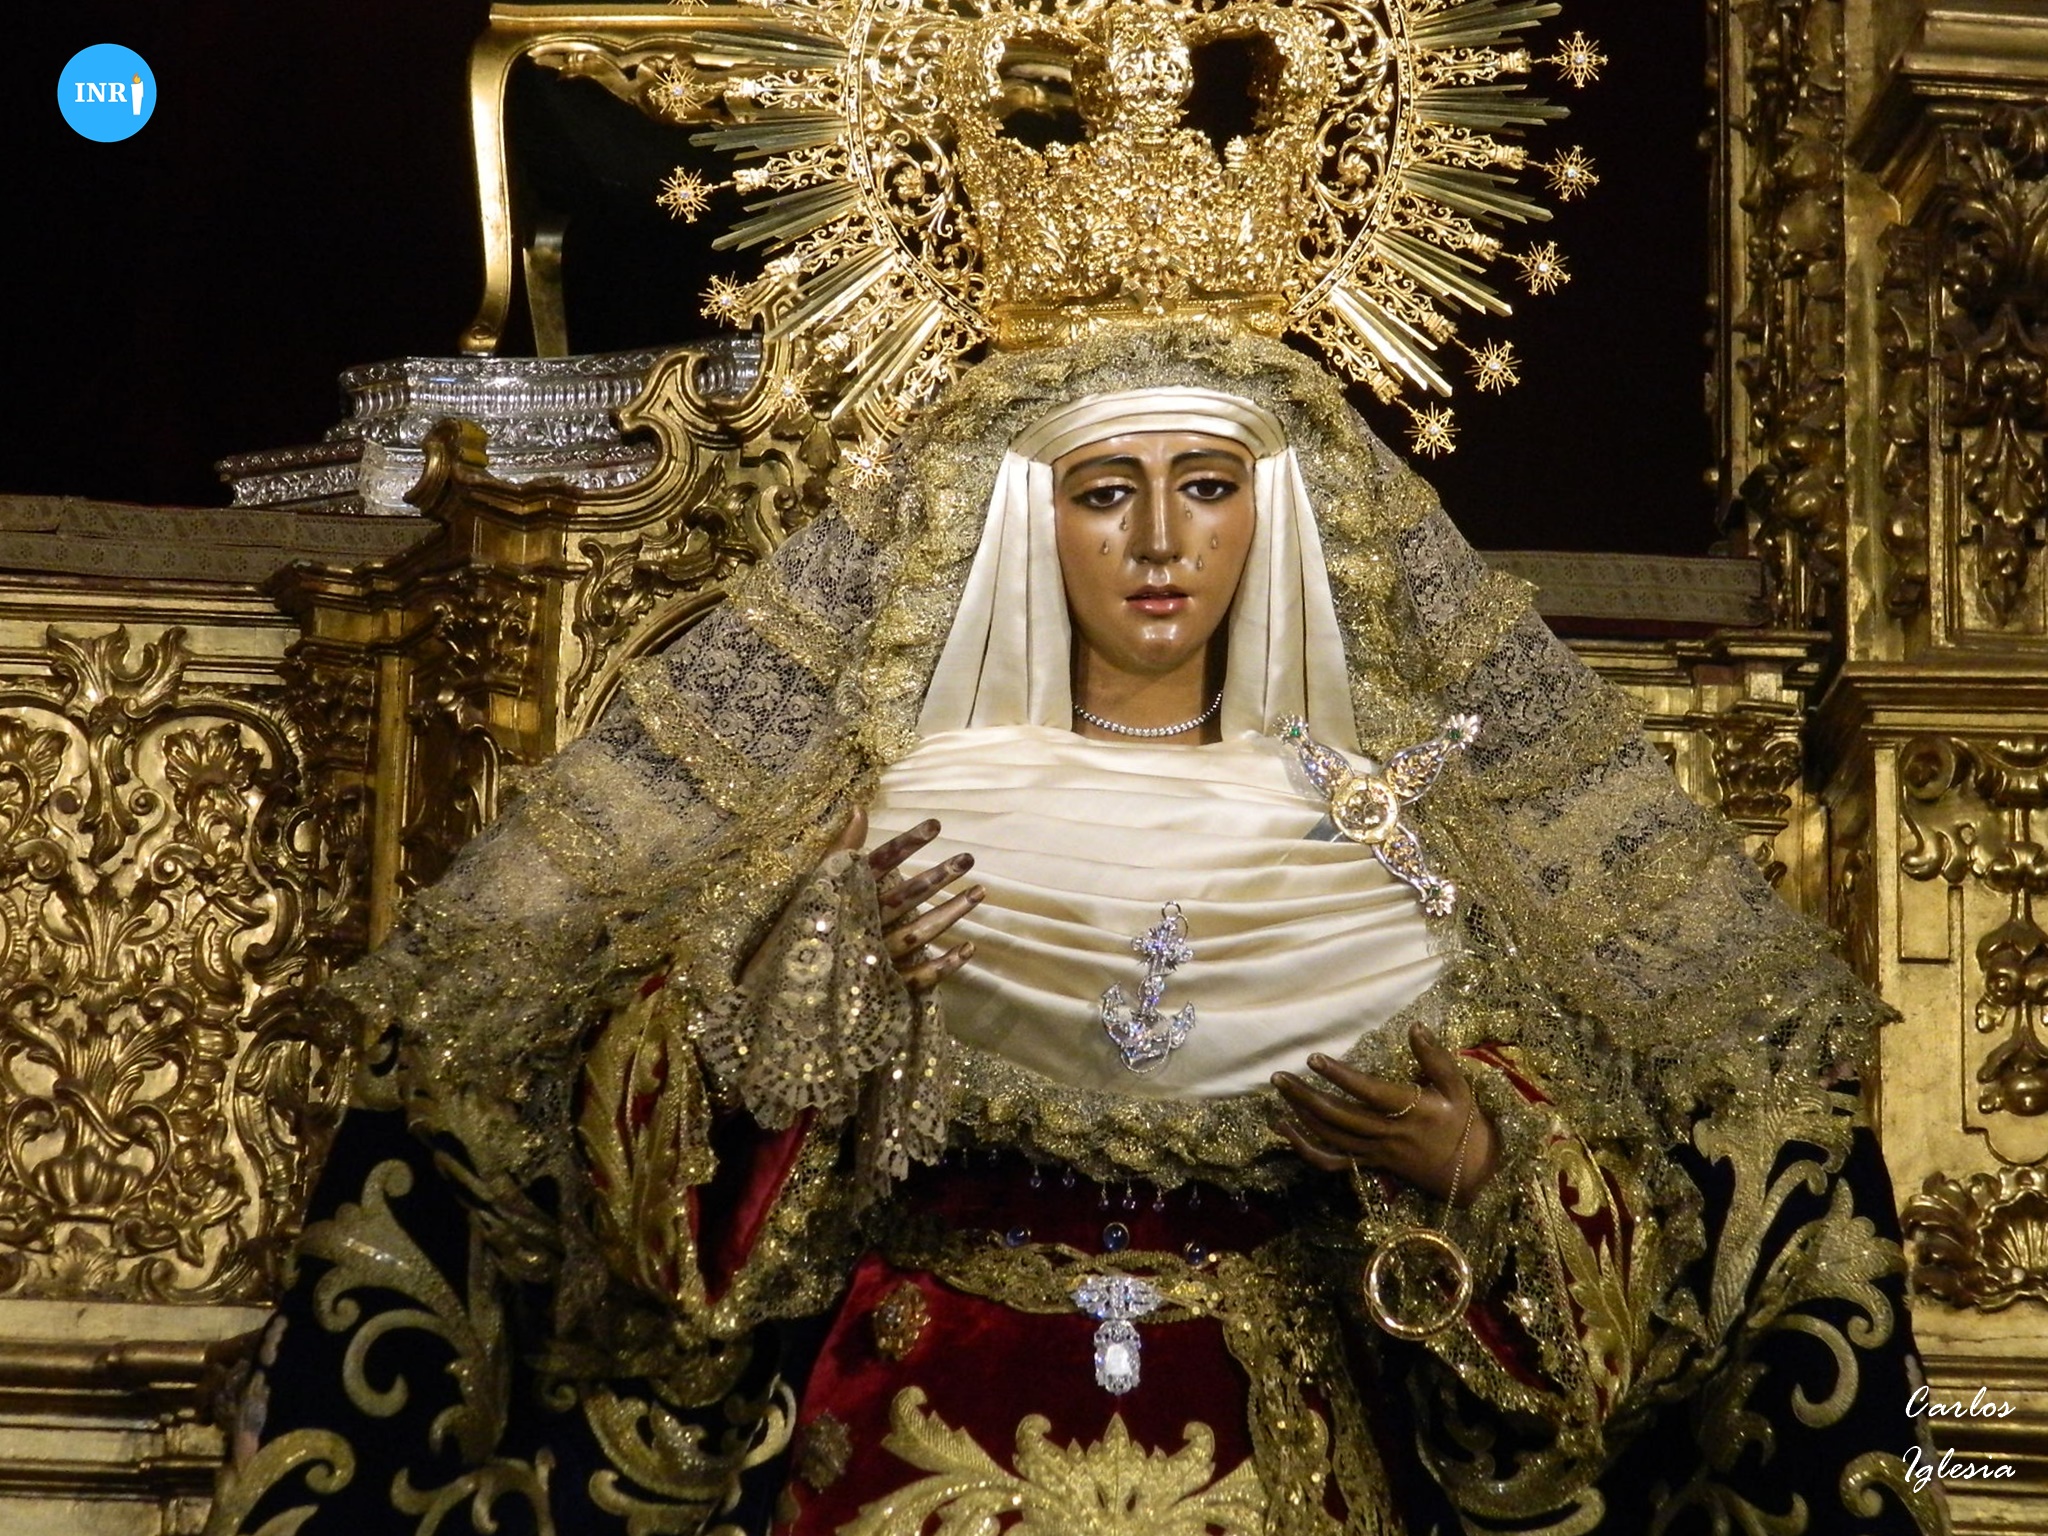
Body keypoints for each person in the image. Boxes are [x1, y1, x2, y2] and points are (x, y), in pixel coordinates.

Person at [209, 324, 1946, 1536]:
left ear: (1280, 517)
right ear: (1019, 526)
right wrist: (815, 1003)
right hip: (912, 1424)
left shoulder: (1383, 836)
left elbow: (1593, 1288)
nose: (1162, 542)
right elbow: (670, 1229)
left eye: (1210, 485)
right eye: (1106, 490)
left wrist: (1470, 1161)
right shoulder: (889, 814)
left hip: (1281, 1441)